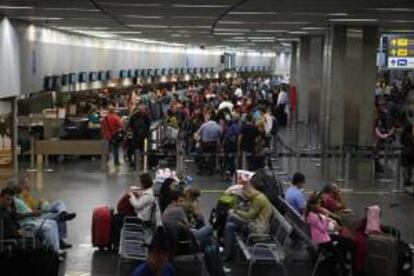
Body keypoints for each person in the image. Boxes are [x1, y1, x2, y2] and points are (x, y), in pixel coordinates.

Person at [13, 176, 76, 245]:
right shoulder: (20, 196)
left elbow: (33, 205)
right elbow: (28, 210)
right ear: (22, 185)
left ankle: (63, 214)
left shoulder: (27, 194)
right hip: (36, 216)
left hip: (38, 211)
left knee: (59, 203)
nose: (29, 184)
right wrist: (36, 209)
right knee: (58, 216)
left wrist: (40, 204)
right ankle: (59, 239)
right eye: (27, 183)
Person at [222, 179, 272, 261]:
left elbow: (248, 216)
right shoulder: (257, 196)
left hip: (258, 228)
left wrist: (236, 211)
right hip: (255, 223)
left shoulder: (258, 199)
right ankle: (227, 252)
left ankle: (227, 253)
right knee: (230, 225)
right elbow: (251, 212)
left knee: (230, 218)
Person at [195, 111, 222, 175]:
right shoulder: (218, 127)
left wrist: (199, 140)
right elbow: (220, 136)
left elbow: (196, 134)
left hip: (205, 145)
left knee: (199, 153)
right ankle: (211, 169)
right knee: (213, 155)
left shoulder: (204, 125)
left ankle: (200, 169)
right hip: (213, 146)